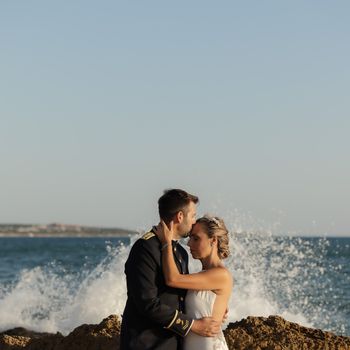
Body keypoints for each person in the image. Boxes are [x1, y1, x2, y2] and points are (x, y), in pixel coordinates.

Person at [120, 189, 221, 350]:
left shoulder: (180, 252)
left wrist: (211, 305)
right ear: (180, 216)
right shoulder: (145, 247)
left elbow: (181, 296)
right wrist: (193, 325)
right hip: (147, 344)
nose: (194, 222)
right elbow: (147, 303)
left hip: (173, 344)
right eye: (193, 215)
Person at [155, 215, 232, 350]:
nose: (189, 243)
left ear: (213, 240)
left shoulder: (221, 275)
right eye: (190, 237)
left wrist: (166, 243)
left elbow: (173, 279)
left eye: (196, 238)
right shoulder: (201, 276)